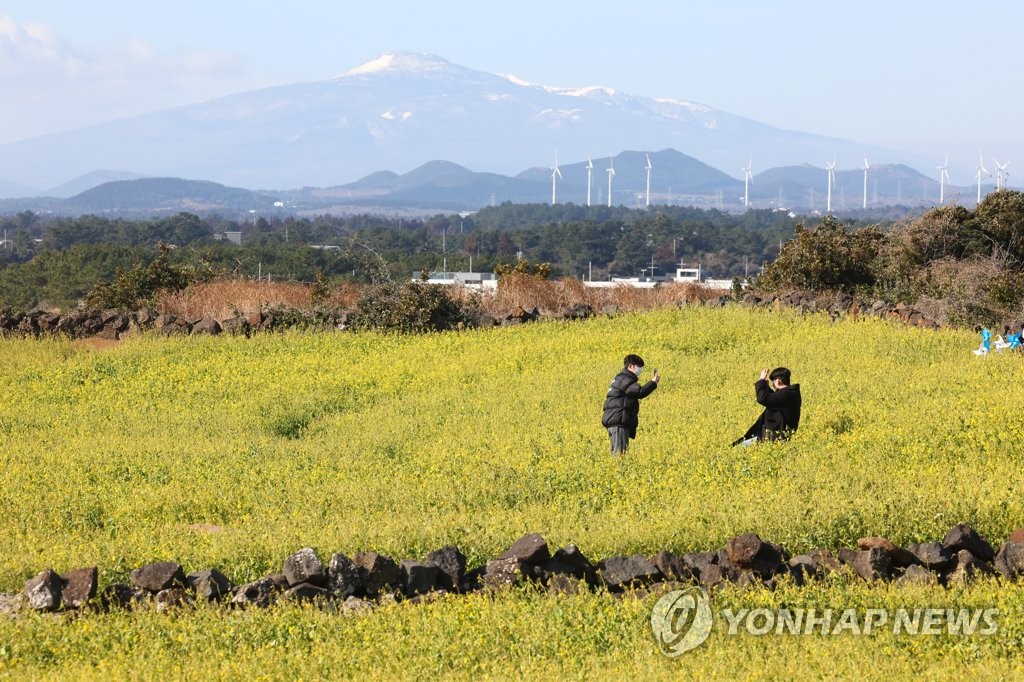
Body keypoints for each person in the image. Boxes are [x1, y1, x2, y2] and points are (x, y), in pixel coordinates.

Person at [601, 354, 660, 455]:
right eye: (639, 367)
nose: (640, 370)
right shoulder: (624, 378)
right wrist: (653, 382)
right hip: (618, 422)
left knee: (618, 453)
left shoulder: (621, 378)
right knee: (620, 454)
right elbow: (640, 392)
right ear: (631, 366)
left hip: (616, 420)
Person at [732, 367, 801, 446]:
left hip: (774, 438)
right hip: (772, 436)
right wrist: (766, 386)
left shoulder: (787, 394)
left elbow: (763, 399)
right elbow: (775, 400)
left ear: (778, 381)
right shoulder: (790, 393)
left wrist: (761, 380)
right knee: (737, 446)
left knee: (736, 448)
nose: (773, 384)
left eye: (773, 381)